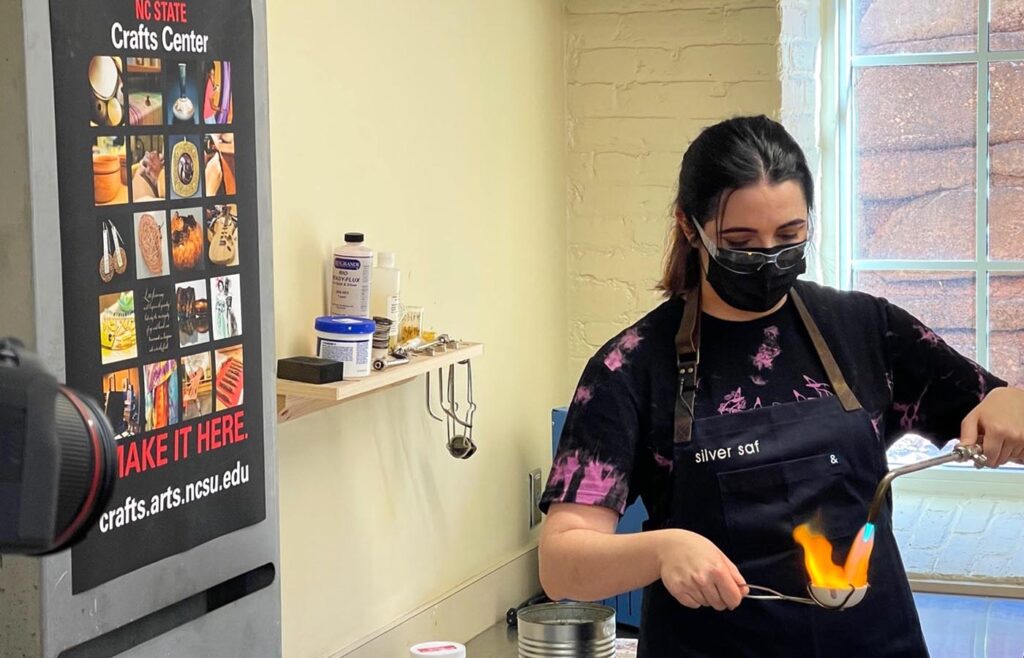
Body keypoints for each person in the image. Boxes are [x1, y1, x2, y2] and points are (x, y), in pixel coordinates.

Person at [538, 115, 1024, 657]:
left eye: (789, 237)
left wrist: (1009, 401)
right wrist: (661, 551)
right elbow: (562, 566)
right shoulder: (630, 368)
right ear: (687, 227)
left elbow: (998, 412)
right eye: (741, 242)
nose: (768, 258)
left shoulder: (866, 330)